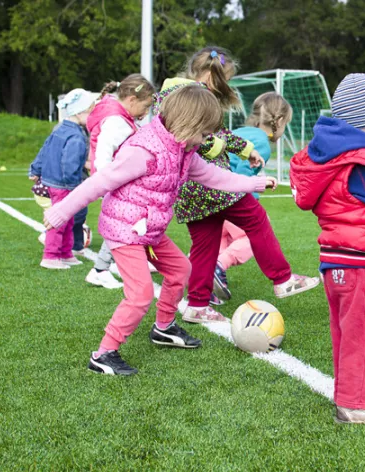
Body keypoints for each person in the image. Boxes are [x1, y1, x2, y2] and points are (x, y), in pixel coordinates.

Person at [43, 85, 276, 376]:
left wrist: (253, 183)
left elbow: (213, 176)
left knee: (181, 270)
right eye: (204, 134)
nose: (207, 141)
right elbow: (99, 182)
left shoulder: (184, 150)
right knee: (140, 294)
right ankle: (103, 354)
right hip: (125, 230)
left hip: (149, 231)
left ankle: (163, 328)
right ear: (188, 124)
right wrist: (61, 211)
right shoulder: (143, 151)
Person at [153, 47, 319, 324]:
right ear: (210, 75)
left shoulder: (172, 93)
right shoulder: (191, 96)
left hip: (189, 190)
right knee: (256, 219)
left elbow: (217, 133)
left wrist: (246, 150)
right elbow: (197, 138)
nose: (225, 86)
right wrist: (221, 147)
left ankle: (197, 304)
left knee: (205, 245)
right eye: (224, 79)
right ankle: (283, 278)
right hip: (211, 183)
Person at [290, 73, 365, 424]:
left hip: (339, 261)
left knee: (348, 333)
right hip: (358, 266)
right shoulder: (360, 161)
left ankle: (352, 393)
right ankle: (357, 404)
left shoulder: (335, 158)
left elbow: (353, 206)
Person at [211, 92, 293, 304]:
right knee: (252, 237)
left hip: (210, 195)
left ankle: (207, 282)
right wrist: (254, 188)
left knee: (219, 239)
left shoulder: (239, 131)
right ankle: (219, 265)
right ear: (280, 121)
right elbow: (242, 174)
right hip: (231, 198)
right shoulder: (262, 144)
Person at [84, 74, 156, 290]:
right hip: (116, 183)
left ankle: (112, 265)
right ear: (132, 100)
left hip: (117, 181)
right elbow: (104, 154)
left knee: (130, 222)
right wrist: (108, 181)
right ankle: (100, 270)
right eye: (145, 107)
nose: (145, 114)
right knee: (123, 224)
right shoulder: (117, 122)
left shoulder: (119, 116)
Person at [29, 89, 95, 269]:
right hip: (64, 184)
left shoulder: (60, 129)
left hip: (54, 181)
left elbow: (44, 149)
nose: (92, 116)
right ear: (80, 112)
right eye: (91, 111)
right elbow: (70, 163)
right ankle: (50, 256)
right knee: (60, 219)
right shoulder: (76, 136)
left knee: (68, 219)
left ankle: (65, 253)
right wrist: (74, 186)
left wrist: (35, 168)